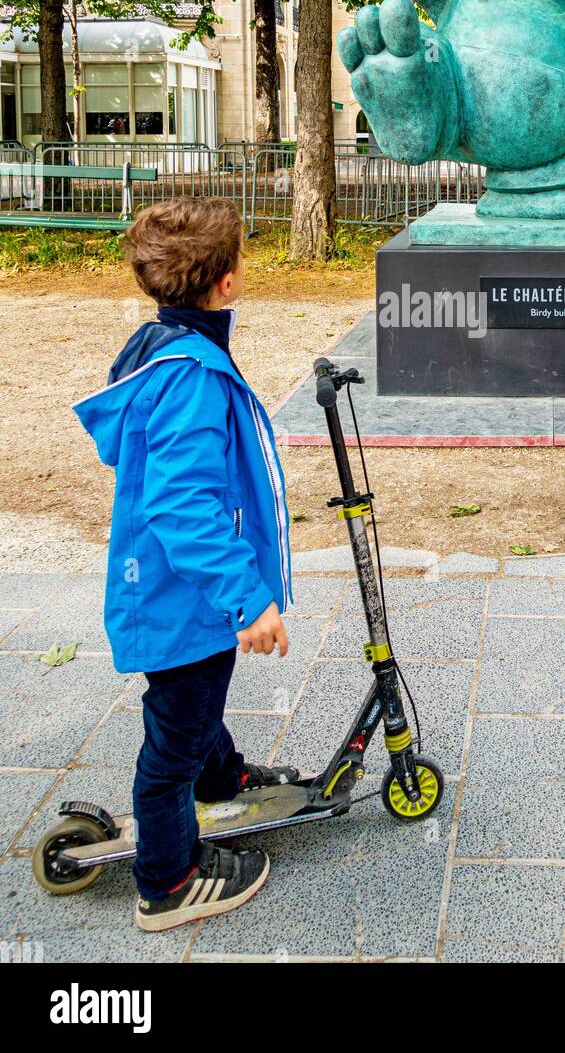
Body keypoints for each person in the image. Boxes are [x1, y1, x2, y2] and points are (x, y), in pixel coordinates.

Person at [75, 198, 294, 932]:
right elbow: (180, 507)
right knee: (172, 738)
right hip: (181, 598)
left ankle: (222, 779)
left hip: (177, 592)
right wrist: (248, 598)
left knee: (195, 702)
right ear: (227, 282)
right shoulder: (191, 374)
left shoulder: (165, 344)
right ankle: (166, 881)